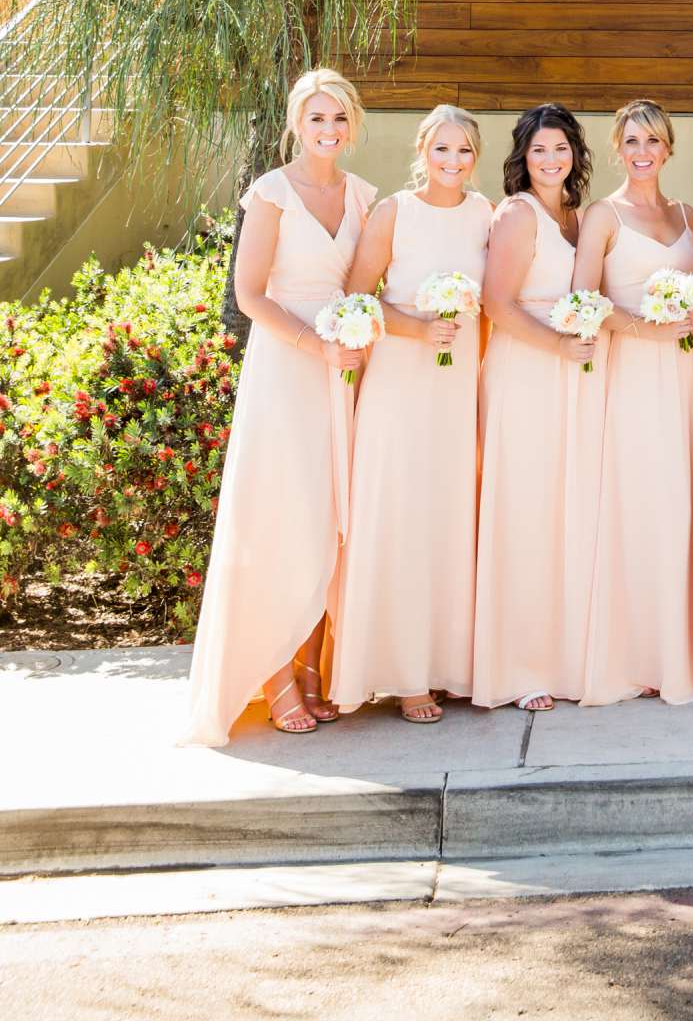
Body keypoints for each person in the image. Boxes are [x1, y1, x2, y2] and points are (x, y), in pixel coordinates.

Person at [185, 68, 374, 743]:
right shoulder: (270, 193)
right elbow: (249, 295)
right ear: (297, 122)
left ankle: (314, 664)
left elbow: (364, 286)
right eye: (316, 118)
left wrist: (356, 341)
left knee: (334, 518)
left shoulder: (364, 196)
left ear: (352, 126)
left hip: (344, 371)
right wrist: (314, 344)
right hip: (287, 369)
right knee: (281, 512)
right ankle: (273, 676)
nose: (328, 130)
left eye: (339, 119)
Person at [330, 106, 493, 722]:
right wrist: (417, 327)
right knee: (398, 518)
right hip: (400, 381)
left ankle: (447, 663)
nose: (452, 163)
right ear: (422, 150)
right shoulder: (394, 212)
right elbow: (357, 298)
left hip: (455, 391)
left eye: (464, 153)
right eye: (442, 150)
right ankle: (403, 675)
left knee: (447, 519)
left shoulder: (484, 214)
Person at [473, 103, 602, 713]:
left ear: (575, 154)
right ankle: (519, 667)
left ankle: (566, 655)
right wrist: (555, 344)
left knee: (564, 514)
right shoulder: (518, 213)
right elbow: (495, 303)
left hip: (571, 376)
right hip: (527, 371)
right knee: (524, 513)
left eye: (561, 149)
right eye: (539, 150)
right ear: (523, 158)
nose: (551, 160)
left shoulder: (574, 217)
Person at [578, 100, 693, 704]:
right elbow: (582, 303)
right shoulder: (604, 216)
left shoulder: (690, 214)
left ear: (669, 147)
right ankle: (634, 655)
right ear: (617, 149)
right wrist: (644, 327)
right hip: (631, 374)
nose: (643, 151)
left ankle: (678, 649)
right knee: (638, 503)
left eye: (653, 140)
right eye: (632, 141)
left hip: (686, 374)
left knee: (681, 503)